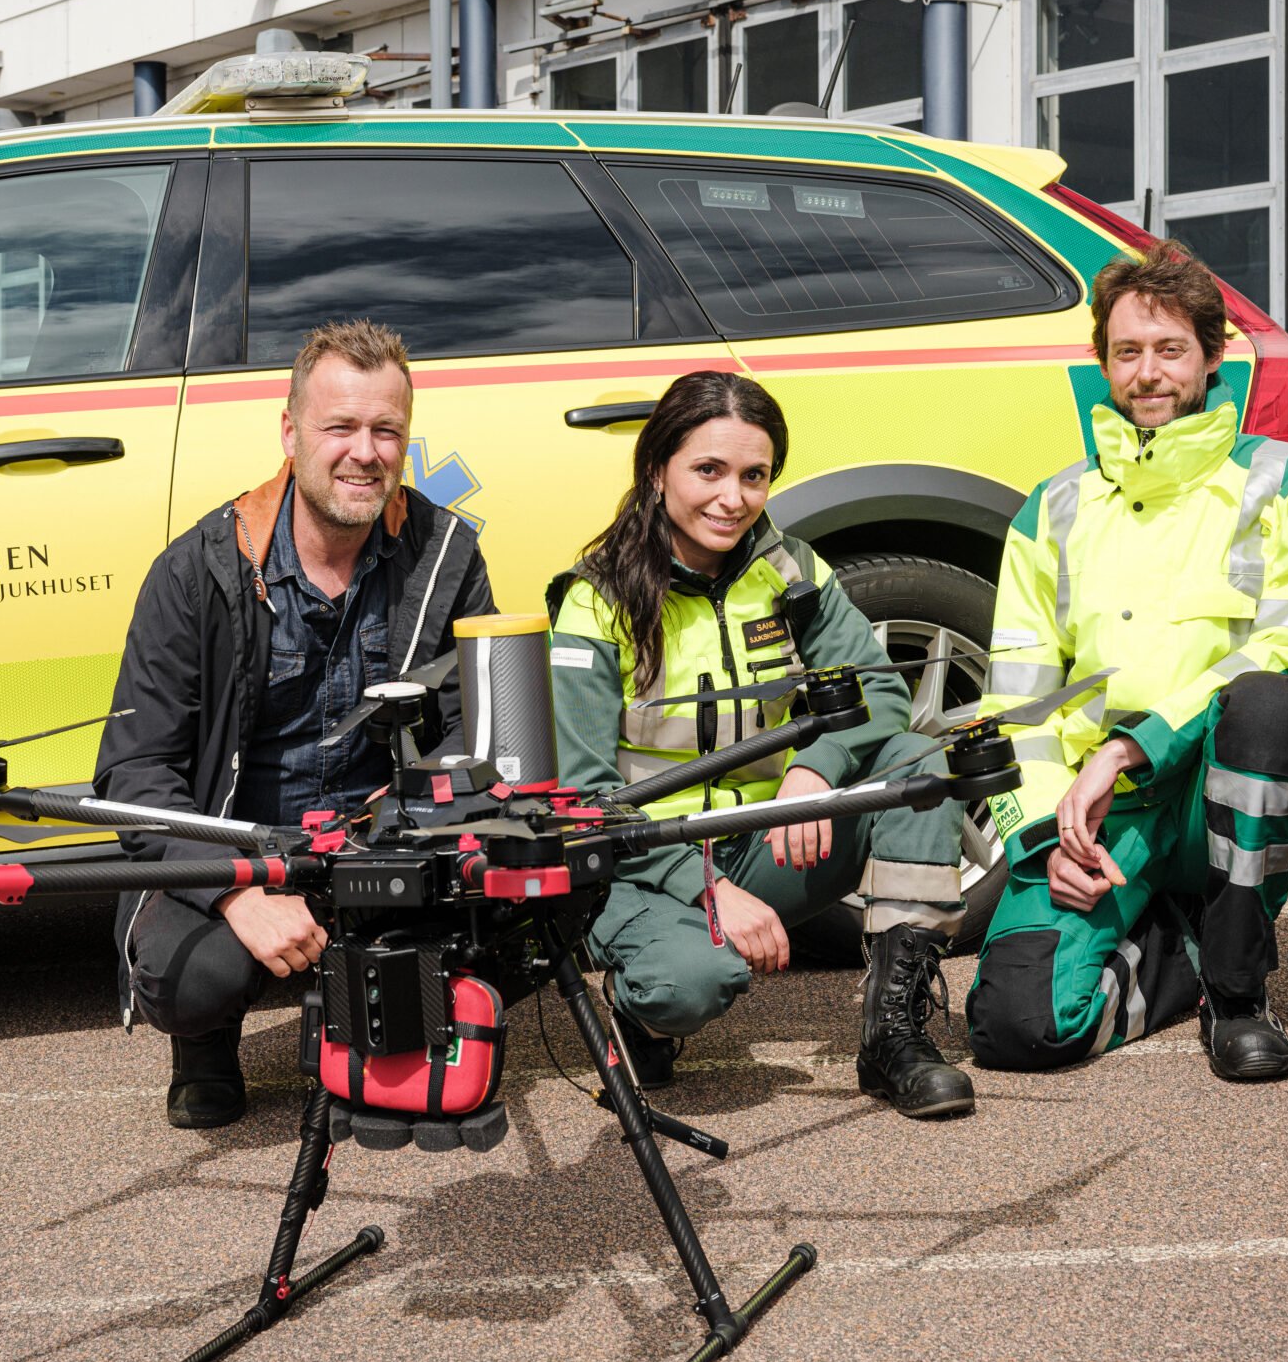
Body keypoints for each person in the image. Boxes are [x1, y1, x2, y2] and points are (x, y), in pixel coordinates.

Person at [95, 320, 494, 1129]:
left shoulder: (446, 555)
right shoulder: (196, 571)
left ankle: (390, 1004)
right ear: (290, 433)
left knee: (517, 919)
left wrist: (410, 828)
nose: (365, 453)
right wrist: (234, 890)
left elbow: (473, 735)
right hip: (245, 849)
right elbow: (134, 773)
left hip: (380, 839)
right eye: (339, 427)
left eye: (386, 431)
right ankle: (204, 1040)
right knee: (190, 979)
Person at [546, 372, 977, 1119]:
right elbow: (585, 799)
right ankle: (639, 1010)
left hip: (764, 836)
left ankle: (893, 1037)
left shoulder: (792, 570)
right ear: (658, 471)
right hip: (642, 863)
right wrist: (711, 890)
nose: (733, 498)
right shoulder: (596, 597)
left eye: (754, 475)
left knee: (916, 762)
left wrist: (817, 768)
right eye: (708, 470)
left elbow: (880, 691)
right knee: (692, 984)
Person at [965, 241, 1288, 1080]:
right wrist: (1045, 837)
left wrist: (1135, 745)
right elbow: (1016, 699)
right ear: (1103, 363)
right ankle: (1181, 944)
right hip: (1101, 816)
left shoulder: (1287, 477)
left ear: (1211, 357)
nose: (1147, 374)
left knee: (1269, 706)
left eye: (1170, 349)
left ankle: (1236, 990)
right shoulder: (1052, 506)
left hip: (1219, 789)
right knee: (1018, 1028)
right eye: (1127, 351)